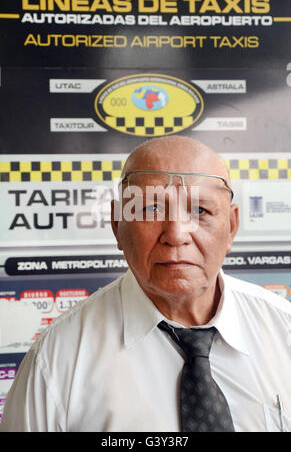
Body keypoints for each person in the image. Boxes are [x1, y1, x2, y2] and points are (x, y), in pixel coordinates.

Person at [1, 135, 291, 432]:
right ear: (117, 226)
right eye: (151, 209)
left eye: (200, 211)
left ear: (230, 227)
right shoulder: (56, 361)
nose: (177, 234)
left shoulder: (284, 330)